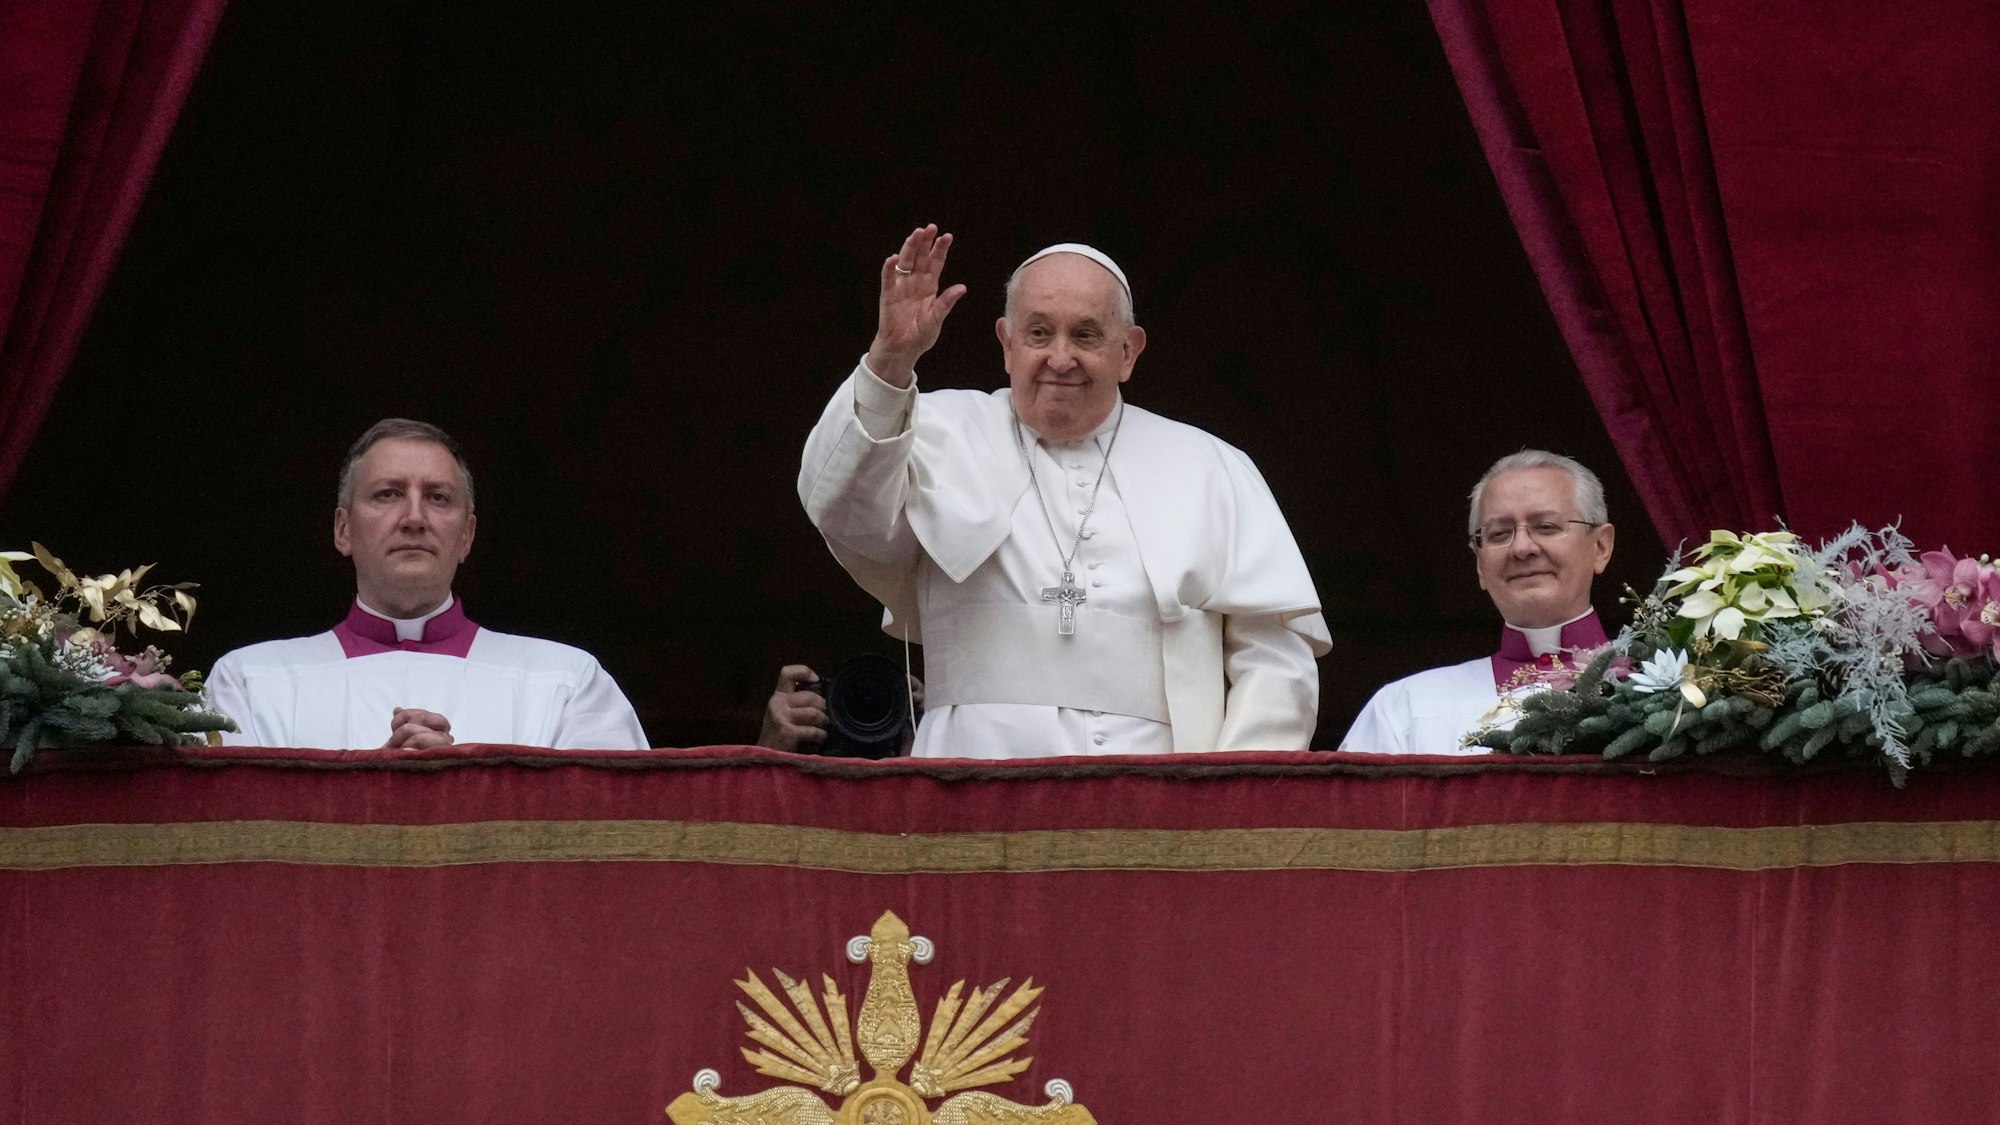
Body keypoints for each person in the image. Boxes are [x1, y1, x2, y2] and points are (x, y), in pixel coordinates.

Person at [800, 224, 1328, 758]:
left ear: (1129, 351)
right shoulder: (934, 432)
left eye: (1086, 335)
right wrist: (890, 361)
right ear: (1006, 344)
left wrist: (1222, 806)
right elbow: (841, 508)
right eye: (1038, 333)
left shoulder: (1211, 467)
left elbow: (1274, 663)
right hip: (968, 792)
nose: (1060, 357)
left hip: (1158, 809)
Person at [207, 419, 648, 750]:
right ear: (343, 530)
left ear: (467, 536)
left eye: (438, 497)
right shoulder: (250, 682)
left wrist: (463, 790)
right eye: (388, 494)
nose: (414, 518)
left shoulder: (567, 683)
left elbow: (607, 844)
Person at [1340, 449, 1617, 755]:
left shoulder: (1670, 690)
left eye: (1546, 527)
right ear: (1479, 565)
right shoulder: (1405, 707)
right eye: (1499, 534)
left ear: (1601, 547)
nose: (1522, 548)